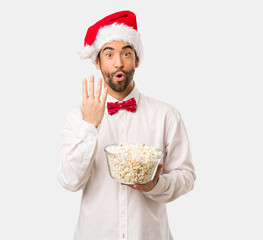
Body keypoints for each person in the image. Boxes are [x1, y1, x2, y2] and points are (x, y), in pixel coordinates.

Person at [58, 10, 196, 240]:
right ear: (97, 62)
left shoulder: (166, 115)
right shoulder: (77, 118)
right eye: (109, 54)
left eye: (126, 53)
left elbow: (187, 177)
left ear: (137, 60)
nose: (119, 63)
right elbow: (70, 181)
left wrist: (156, 184)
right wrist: (89, 126)